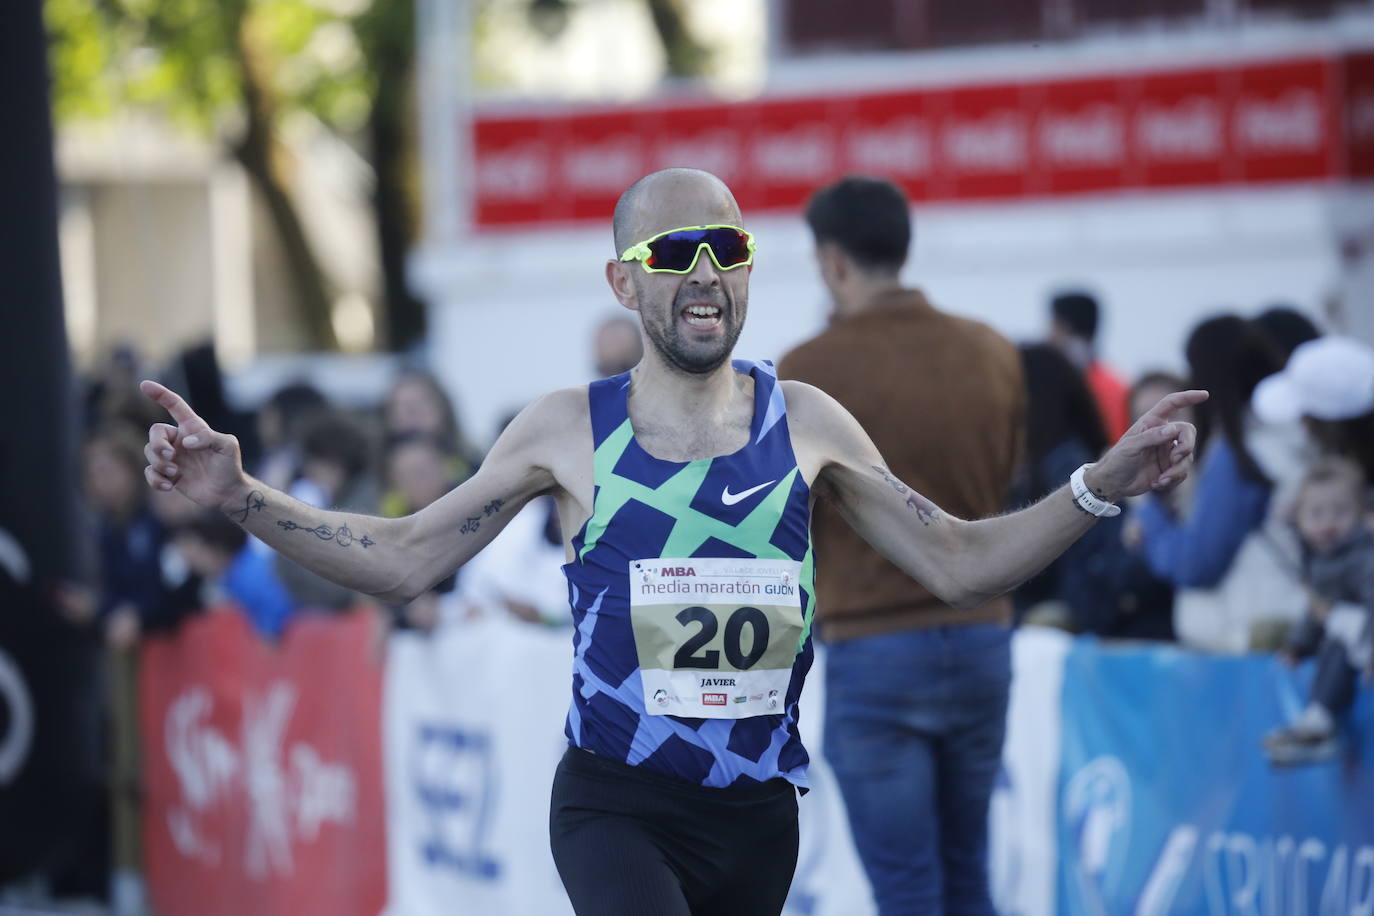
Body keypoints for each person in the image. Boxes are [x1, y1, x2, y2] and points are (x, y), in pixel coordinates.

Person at [139, 168, 1202, 916]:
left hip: (757, 816)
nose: (705, 271)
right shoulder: (568, 426)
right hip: (617, 803)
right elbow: (406, 552)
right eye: (674, 252)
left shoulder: (809, 420)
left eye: (728, 249)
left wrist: (1099, 487)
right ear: (623, 280)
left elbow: (963, 560)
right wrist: (241, 498)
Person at [776, 175, 1024, 914]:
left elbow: (789, 514)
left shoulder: (805, 371)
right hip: (982, 637)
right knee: (969, 873)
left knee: (907, 889)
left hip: (873, 646)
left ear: (833, 262)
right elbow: (1006, 486)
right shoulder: (991, 351)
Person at [1134, 314, 1309, 653]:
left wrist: (1149, 515)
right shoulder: (1295, 433)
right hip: (1290, 628)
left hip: (1244, 640)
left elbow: (1197, 563)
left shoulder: (1238, 453)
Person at [1263, 456, 1373, 765]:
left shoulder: (1364, 558)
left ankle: (1320, 721)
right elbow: (1317, 612)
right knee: (1332, 650)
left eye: (1340, 512)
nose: (1328, 522)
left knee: (1337, 650)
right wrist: (1298, 644)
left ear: (1361, 514)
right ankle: (1317, 723)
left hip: (1361, 641)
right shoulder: (1319, 561)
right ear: (1300, 518)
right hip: (1346, 641)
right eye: (1317, 513)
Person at [170, 512, 298, 640]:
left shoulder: (250, 576)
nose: (190, 564)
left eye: (194, 556)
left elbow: (281, 616)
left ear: (216, 549)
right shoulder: (234, 575)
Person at [1047, 290, 1131, 441]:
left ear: (1064, 328)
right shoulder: (1114, 382)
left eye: (1053, 325)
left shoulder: (1099, 385)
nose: (1048, 335)